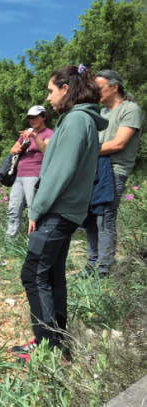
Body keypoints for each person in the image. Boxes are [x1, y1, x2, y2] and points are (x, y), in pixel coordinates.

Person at [15, 64, 108, 361]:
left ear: (65, 89)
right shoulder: (80, 120)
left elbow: (60, 171)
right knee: (52, 274)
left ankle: (48, 348)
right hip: (65, 211)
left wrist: (37, 209)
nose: (49, 97)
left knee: (33, 273)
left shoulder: (76, 120)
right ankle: (56, 340)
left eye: (50, 90)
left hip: (58, 211)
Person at [83, 70, 144, 277]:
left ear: (114, 87)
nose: (94, 91)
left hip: (114, 170)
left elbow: (118, 143)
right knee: (89, 218)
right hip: (94, 170)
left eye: (98, 87)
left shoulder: (130, 109)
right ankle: (91, 264)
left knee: (105, 218)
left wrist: (84, 151)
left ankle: (104, 268)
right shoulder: (100, 113)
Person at [6, 106, 54, 239]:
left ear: (43, 117)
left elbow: (46, 150)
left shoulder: (48, 133)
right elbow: (12, 149)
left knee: (33, 208)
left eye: (35, 117)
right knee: (13, 208)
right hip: (19, 174)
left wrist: (34, 136)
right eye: (30, 118)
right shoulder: (25, 133)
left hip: (34, 174)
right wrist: (15, 150)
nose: (32, 120)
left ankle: (33, 239)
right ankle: (10, 239)